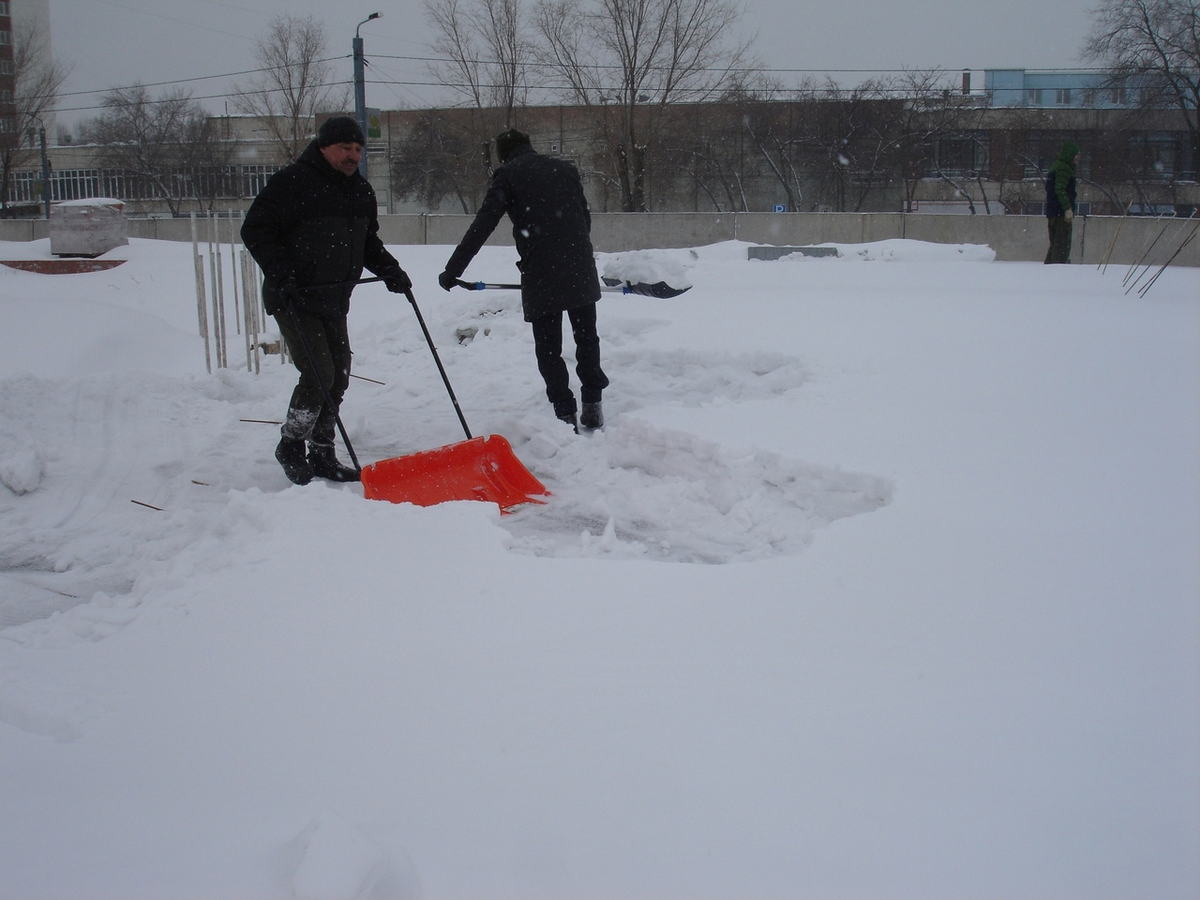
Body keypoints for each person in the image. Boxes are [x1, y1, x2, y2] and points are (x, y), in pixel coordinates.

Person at [242, 115, 412, 485]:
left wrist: (390, 270)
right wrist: (283, 274)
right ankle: (291, 444)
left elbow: (367, 243)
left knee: (339, 377)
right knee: (319, 374)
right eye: (344, 148)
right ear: (323, 147)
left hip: (334, 296)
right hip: (295, 296)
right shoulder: (293, 183)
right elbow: (255, 229)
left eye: (357, 149)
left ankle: (322, 451)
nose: (353, 156)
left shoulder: (360, 191)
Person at [438, 128, 608, 432]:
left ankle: (564, 412)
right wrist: (572, 250)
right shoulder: (564, 169)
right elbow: (584, 217)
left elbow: (483, 225)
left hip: (540, 271)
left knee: (548, 347)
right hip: (579, 264)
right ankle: (593, 404)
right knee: (586, 337)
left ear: (502, 155)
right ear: (529, 146)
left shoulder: (507, 176)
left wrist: (454, 270)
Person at [1044, 140, 1080, 264]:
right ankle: (1058, 271)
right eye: (1076, 155)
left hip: (1053, 212)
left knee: (1055, 244)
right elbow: (1060, 189)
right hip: (1060, 214)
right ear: (1070, 155)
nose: (1078, 158)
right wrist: (1067, 209)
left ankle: (1049, 269)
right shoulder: (1064, 169)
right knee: (1062, 245)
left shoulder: (1056, 167)